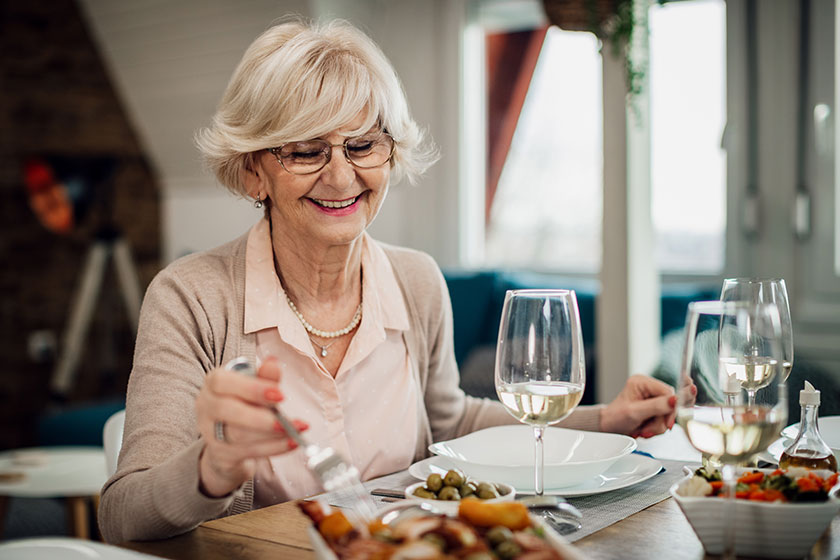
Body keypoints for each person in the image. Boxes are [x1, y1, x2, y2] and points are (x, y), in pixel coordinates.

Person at [97, 18, 676, 543]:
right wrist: (211, 466)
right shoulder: (190, 298)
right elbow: (123, 515)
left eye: (362, 144)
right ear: (254, 171)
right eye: (306, 150)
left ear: (390, 154)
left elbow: (453, 423)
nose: (342, 175)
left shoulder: (417, 280)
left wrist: (604, 420)